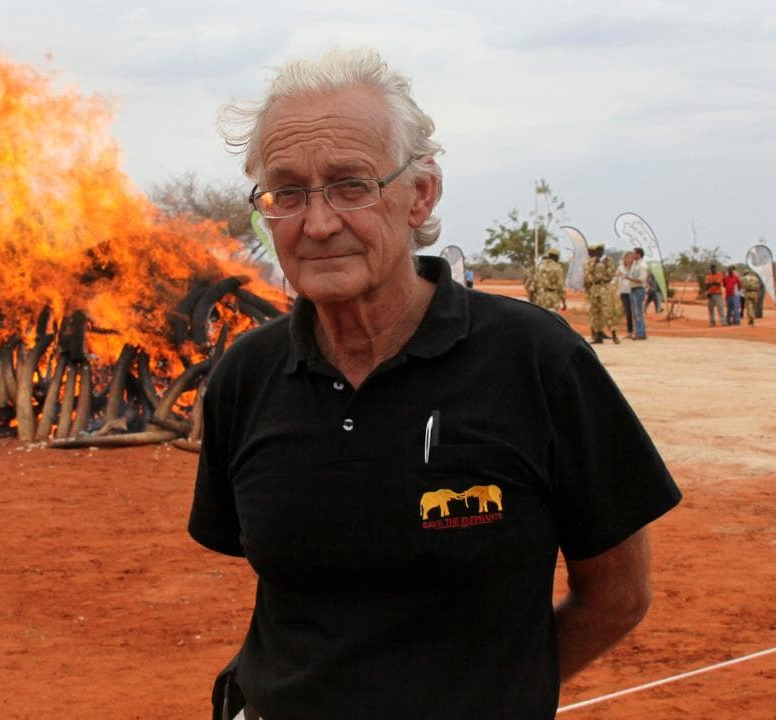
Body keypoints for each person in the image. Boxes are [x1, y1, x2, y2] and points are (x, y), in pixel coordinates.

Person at [191, 48, 681, 720]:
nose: (318, 223)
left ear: (420, 193)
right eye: (287, 193)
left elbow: (618, 596)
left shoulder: (536, 360)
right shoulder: (247, 376)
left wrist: (493, 695)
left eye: (351, 185)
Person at [584, 242, 621, 344]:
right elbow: (588, 275)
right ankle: (598, 335)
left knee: (608, 311)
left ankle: (614, 335)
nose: (599, 252)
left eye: (601, 250)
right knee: (595, 312)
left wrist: (605, 265)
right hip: (594, 287)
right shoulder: (590, 262)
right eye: (597, 251)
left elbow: (611, 274)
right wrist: (594, 265)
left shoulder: (608, 261)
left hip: (605, 287)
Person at [526, 247, 567, 311]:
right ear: (556, 257)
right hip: (553, 298)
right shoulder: (558, 268)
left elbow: (533, 285)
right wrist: (564, 302)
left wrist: (531, 300)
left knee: (541, 315)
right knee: (552, 316)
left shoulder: (540, 266)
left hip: (540, 297)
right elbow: (561, 287)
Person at [626, 247, 649, 339]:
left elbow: (641, 279)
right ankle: (639, 332)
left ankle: (640, 333)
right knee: (635, 313)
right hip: (633, 289)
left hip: (639, 290)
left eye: (634, 253)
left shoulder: (642, 266)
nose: (632, 255)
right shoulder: (634, 265)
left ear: (638, 254)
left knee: (638, 312)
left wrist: (629, 278)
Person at [616, 251, 634, 335]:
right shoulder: (621, 267)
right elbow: (616, 278)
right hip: (623, 291)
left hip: (633, 291)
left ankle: (638, 331)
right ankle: (630, 331)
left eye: (631, 257)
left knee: (634, 311)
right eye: (628, 257)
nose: (629, 259)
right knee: (628, 311)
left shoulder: (635, 267)